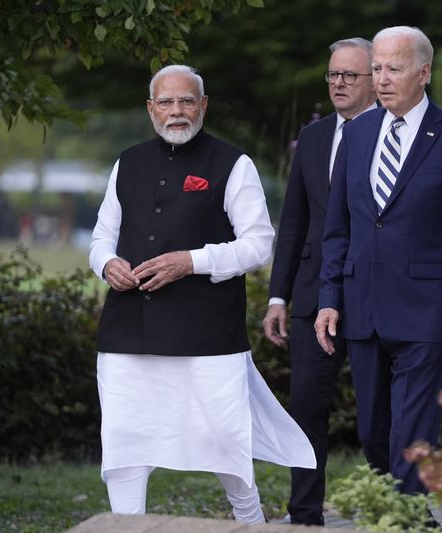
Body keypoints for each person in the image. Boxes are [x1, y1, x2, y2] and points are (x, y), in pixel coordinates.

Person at [89, 64, 315, 524]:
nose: (177, 111)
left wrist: (191, 261)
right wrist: (107, 264)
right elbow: (100, 238)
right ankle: (126, 525)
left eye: (187, 101)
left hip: (208, 333)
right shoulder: (126, 162)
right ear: (151, 109)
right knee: (125, 441)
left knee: (224, 442)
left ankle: (251, 522)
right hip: (126, 331)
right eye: (167, 102)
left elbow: (258, 244)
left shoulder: (234, 163)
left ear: (203, 105)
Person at [315, 26, 442, 495]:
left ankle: (406, 519)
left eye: (394, 68)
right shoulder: (355, 136)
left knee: (411, 438)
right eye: (376, 68)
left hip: (427, 314)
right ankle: (412, 520)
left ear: (425, 72)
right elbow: (339, 230)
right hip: (363, 308)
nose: (382, 79)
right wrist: (329, 297)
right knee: (374, 433)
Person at [263, 38, 377, 526]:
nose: (339, 84)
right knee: (306, 404)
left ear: (376, 79)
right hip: (312, 295)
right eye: (333, 75)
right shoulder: (312, 138)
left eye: (350, 76)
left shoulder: (392, 136)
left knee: (379, 415)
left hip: (375, 293)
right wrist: (277, 295)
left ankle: (384, 509)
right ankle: (305, 514)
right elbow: (292, 223)